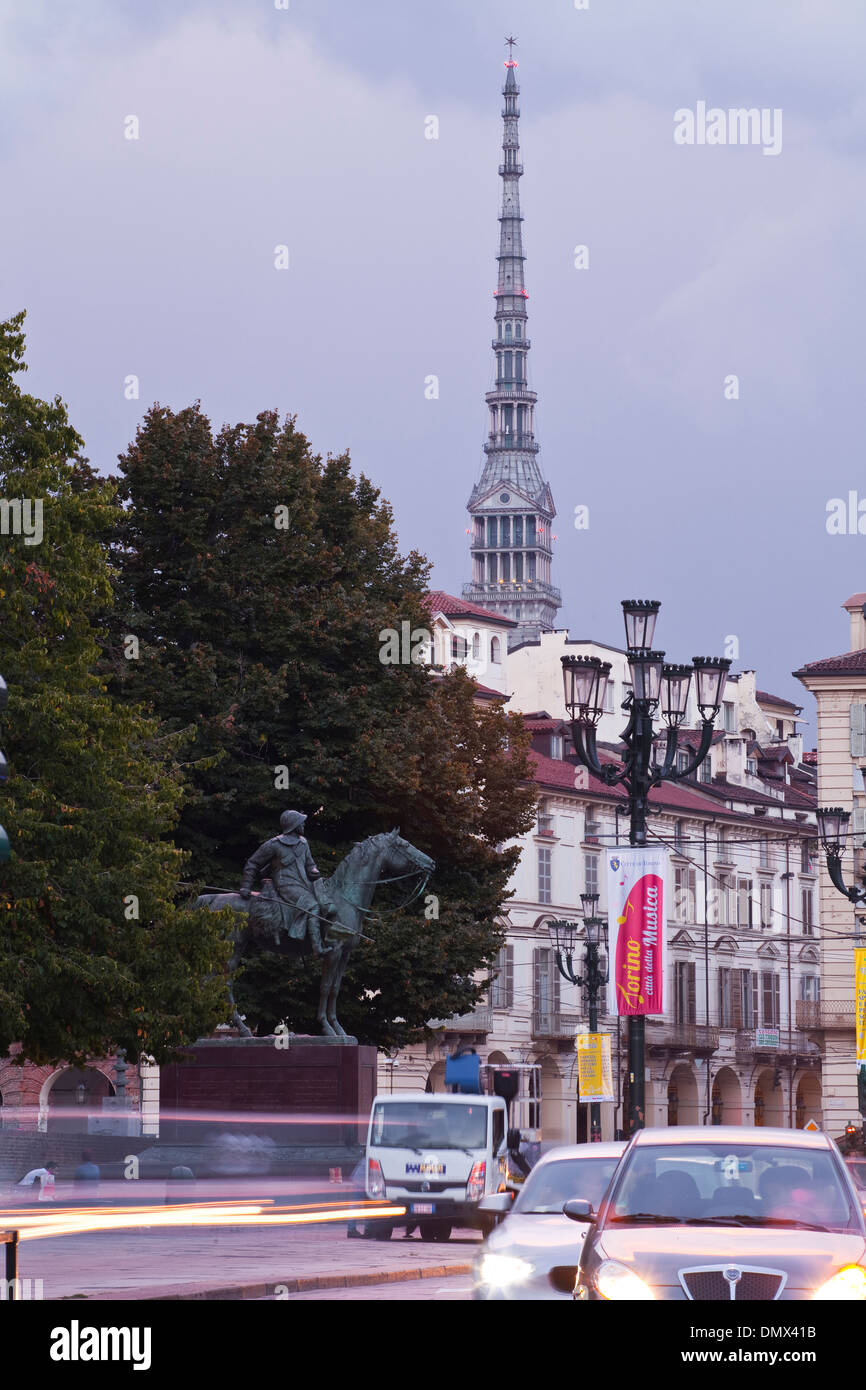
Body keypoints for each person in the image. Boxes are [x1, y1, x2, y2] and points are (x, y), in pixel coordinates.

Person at [240, 810, 335, 956]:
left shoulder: (303, 843)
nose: (303, 824)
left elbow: (310, 866)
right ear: (293, 825)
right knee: (313, 905)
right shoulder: (274, 844)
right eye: (301, 822)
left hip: (303, 883)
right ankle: (317, 947)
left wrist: (315, 871)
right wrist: (246, 886)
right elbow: (253, 863)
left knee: (326, 903)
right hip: (285, 885)